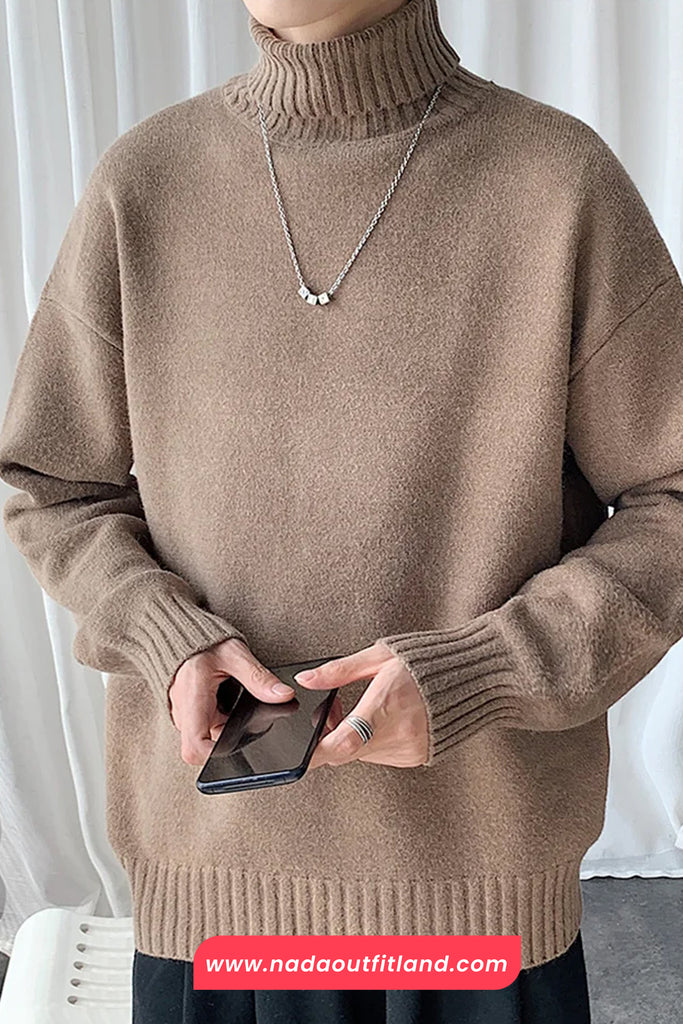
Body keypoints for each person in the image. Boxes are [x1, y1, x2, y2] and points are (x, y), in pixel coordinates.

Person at [1, 0, 682, 1021]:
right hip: (219, 903)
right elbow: (52, 483)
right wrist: (167, 635)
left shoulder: (554, 184)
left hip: (472, 911)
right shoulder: (146, 183)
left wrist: (481, 672)